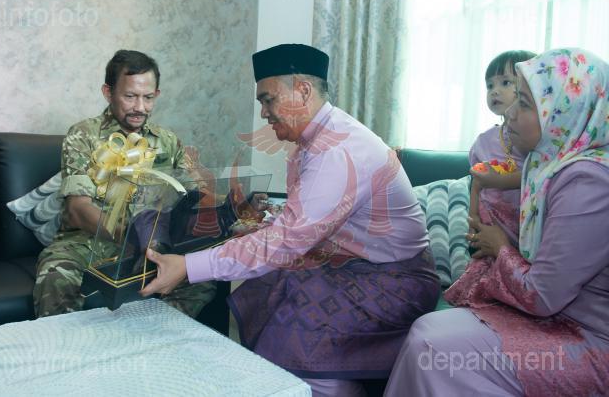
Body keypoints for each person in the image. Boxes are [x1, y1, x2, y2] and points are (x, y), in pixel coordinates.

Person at [141, 44, 440, 396]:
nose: (264, 113)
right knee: (270, 286)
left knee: (288, 331)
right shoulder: (320, 138)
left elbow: (284, 242)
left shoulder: (336, 150)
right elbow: (300, 224)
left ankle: (320, 385)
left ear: (303, 91)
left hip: (393, 282)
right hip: (352, 265)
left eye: (268, 100)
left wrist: (187, 266)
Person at [385, 48, 609, 396]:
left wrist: (500, 247)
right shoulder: (552, 166)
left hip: (587, 343)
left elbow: (542, 296)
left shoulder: (588, 182)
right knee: (427, 334)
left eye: (525, 103)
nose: (512, 113)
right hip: (558, 323)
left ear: (566, 113)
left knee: (433, 349)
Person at [33, 50, 216, 318]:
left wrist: (233, 208)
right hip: (87, 244)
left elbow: (193, 196)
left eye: (148, 97)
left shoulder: (167, 141)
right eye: (130, 96)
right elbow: (77, 209)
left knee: (202, 278)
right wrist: (132, 236)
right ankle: (64, 346)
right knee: (56, 276)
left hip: (152, 246)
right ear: (108, 93)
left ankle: (150, 337)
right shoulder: (83, 135)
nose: (140, 107)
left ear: (157, 95)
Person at [469, 50, 535, 248]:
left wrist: (501, 181)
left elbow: (539, 175)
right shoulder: (483, 141)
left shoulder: (534, 135)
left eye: (505, 82)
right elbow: (476, 183)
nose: (494, 91)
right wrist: (473, 218)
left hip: (526, 233)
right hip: (490, 228)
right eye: (490, 85)